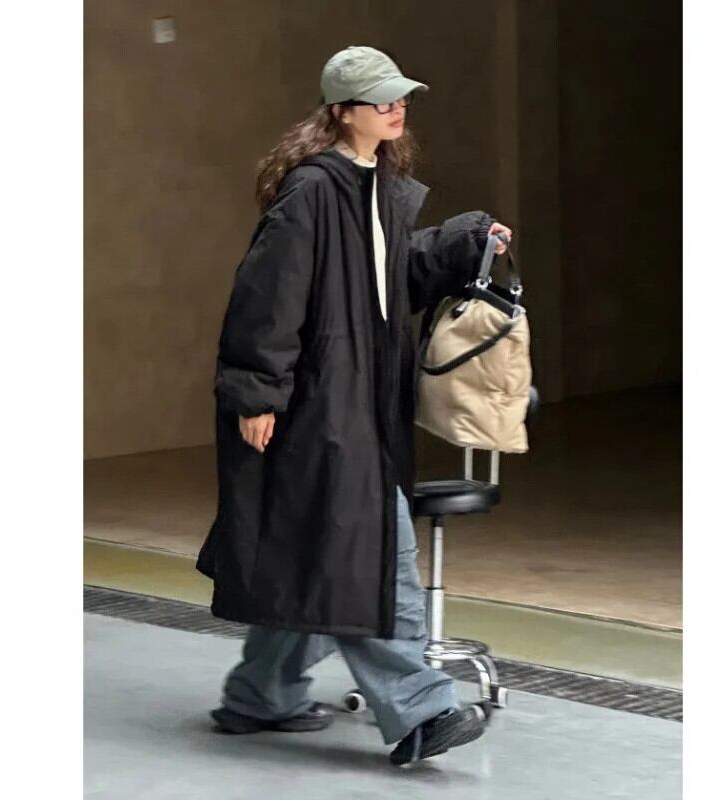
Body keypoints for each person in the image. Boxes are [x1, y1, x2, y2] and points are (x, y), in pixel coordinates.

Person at [196, 45, 512, 766]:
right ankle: (421, 713)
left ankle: (260, 694)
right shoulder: (313, 191)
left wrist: (465, 243)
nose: (396, 108)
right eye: (381, 100)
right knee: (371, 553)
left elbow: (392, 280)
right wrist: (256, 393)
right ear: (342, 111)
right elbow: (267, 297)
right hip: (320, 408)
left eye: (400, 97)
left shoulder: (375, 185)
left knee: (313, 550)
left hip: (361, 403)